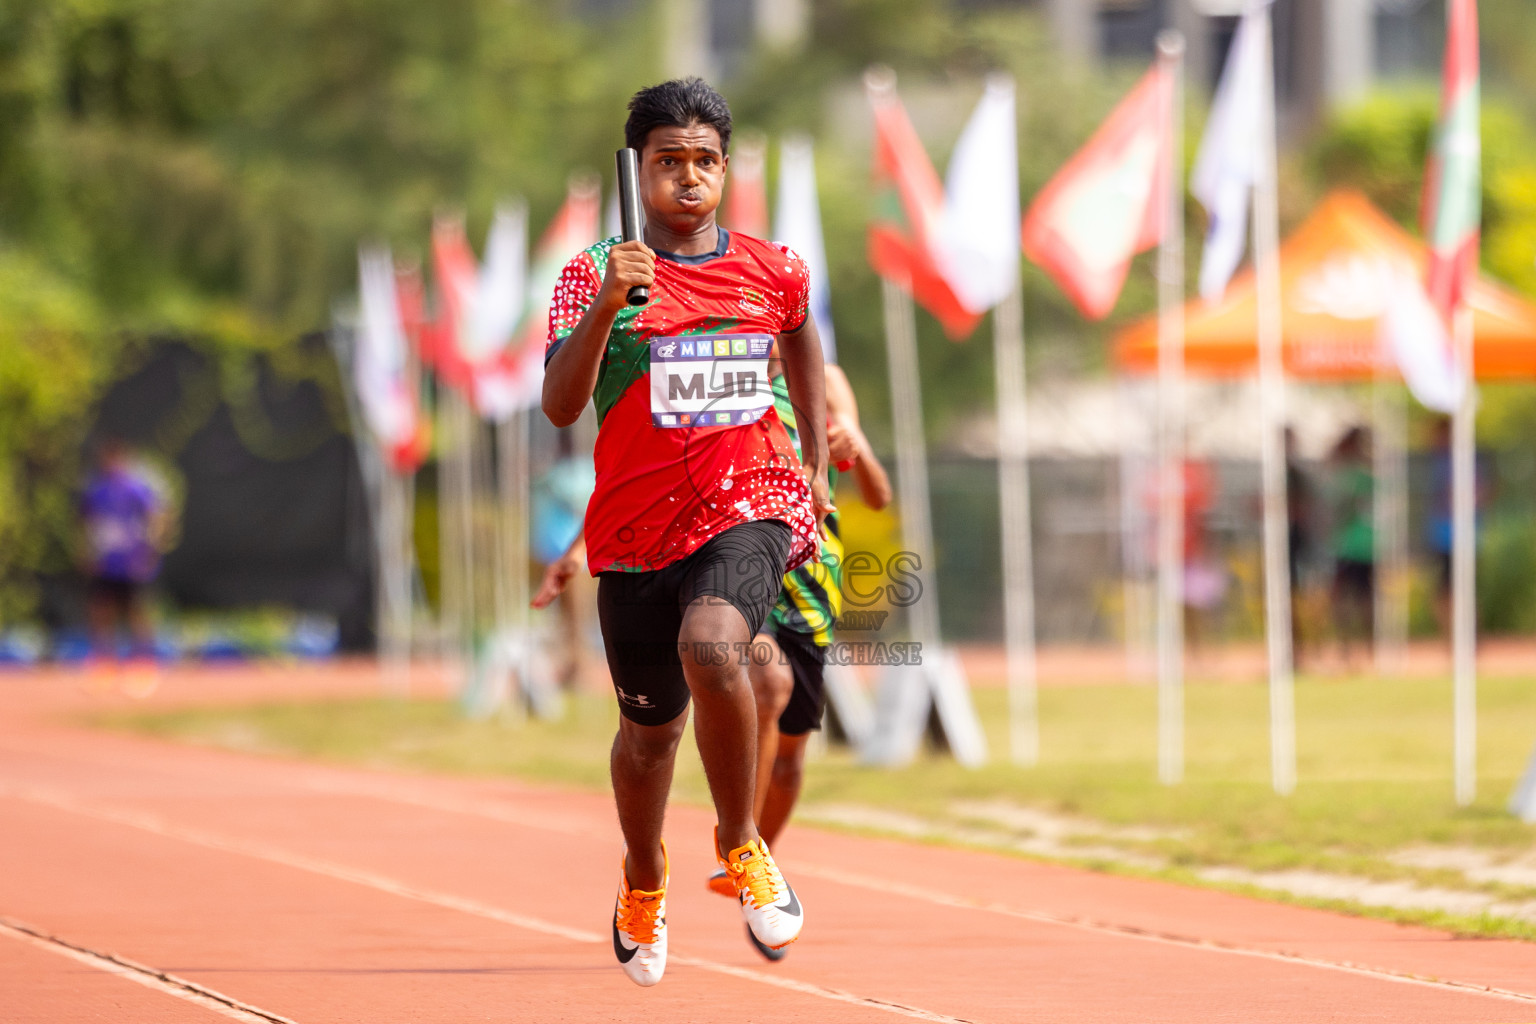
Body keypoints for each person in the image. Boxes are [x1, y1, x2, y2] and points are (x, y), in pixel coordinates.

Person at [540, 77, 830, 987]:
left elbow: (802, 345)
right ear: (638, 170)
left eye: (706, 161)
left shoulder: (772, 268)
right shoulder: (595, 272)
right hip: (632, 532)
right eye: (670, 163)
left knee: (717, 645)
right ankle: (643, 875)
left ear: (724, 169)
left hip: (750, 502)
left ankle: (741, 843)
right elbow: (559, 407)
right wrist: (605, 307)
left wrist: (814, 465)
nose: (690, 180)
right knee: (650, 738)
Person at [704, 355, 890, 961]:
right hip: (748, 564)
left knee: (790, 754)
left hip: (813, 585)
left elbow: (877, 498)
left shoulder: (829, 381)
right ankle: (743, 846)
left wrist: (855, 445)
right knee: (768, 684)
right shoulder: (724, 375)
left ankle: (764, 868)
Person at [79, 438, 166, 690]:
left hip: (132, 562)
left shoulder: (137, 489)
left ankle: (144, 665)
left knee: (137, 612)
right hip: (106, 563)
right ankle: (105, 664)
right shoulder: (96, 491)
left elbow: (157, 516)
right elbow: (85, 522)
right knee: (100, 611)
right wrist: (86, 551)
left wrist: (151, 549)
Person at [1328, 426, 1374, 668]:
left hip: (1354, 545)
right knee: (1353, 599)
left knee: (1353, 599)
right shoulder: (1364, 475)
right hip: (1354, 545)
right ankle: (1358, 648)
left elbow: (1344, 510)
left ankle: (1359, 648)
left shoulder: (1355, 477)